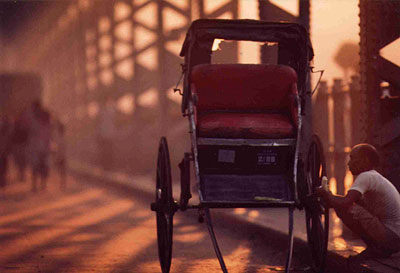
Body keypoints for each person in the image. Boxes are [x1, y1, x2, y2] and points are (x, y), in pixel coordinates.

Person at [316, 143, 400, 261]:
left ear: (364, 160)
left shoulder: (366, 176)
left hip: (391, 237)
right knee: (348, 206)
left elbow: (344, 203)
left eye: (352, 158)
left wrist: (326, 194)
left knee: (346, 208)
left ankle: (376, 248)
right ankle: (377, 248)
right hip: (394, 238)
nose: (348, 163)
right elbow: (344, 200)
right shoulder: (373, 177)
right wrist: (329, 197)